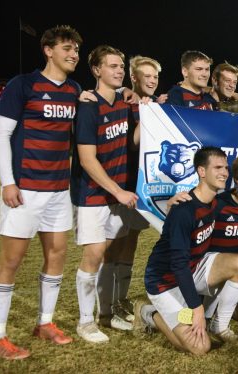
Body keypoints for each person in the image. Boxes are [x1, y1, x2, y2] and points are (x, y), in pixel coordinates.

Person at [0, 25, 82, 360]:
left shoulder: (74, 89)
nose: (73, 55)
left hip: (59, 189)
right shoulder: (22, 85)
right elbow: (2, 136)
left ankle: (45, 323)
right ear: (48, 50)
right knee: (11, 260)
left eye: (76, 51)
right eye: (67, 48)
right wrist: (7, 181)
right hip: (25, 188)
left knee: (56, 255)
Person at [135, 147, 238, 354]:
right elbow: (178, 264)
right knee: (200, 347)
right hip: (165, 281)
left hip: (193, 269)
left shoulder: (216, 200)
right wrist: (196, 308)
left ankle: (219, 325)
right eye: (217, 167)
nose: (224, 172)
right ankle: (150, 313)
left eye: (225, 167)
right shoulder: (184, 210)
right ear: (201, 171)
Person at [71, 45, 139, 343]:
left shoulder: (125, 104)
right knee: (94, 255)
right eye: (112, 66)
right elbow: (87, 159)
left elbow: (133, 142)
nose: (119, 70)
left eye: (121, 65)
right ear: (97, 70)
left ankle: (107, 315)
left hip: (117, 194)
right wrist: (118, 191)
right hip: (94, 194)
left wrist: (147, 111)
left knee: (111, 254)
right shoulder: (88, 105)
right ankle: (85, 322)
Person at [95, 55, 166, 328]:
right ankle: (106, 307)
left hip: (142, 187)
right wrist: (142, 110)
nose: (152, 80)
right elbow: (133, 144)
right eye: (146, 76)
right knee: (112, 245)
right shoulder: (126, 102)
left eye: (155, 76)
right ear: (134, 79)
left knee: (131, 241)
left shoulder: (154, 104)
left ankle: (120, 299)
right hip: (121, 185)